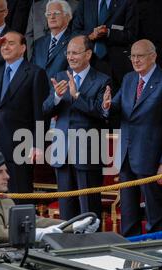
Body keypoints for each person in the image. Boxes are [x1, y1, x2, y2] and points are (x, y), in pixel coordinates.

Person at [102, 39, 162, 237]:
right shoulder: (129, 79)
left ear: (153, 56)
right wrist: (108, 106)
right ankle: (130, 245)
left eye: (140, 56)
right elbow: (118, 105)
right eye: (133, 56)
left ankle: (155, 245)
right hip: (126, 154)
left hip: (150, 156)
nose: (135, 60)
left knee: (153, 209)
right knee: (128, 208)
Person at [43, 35, 110, 220]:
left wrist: (76, 96)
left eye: (75, 53)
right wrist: (56, 96)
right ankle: (66, 247)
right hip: (61, 151)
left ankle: (90, 247)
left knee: (88, 210)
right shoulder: (59, 76)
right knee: (67, 210)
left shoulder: (102, 80)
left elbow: (101, 113)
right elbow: (46, 109)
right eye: (68, 53)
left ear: (88, 54)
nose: (70, 57)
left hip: (88, 152)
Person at [0, 150, 100, 243]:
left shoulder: (4, 199)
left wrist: (72, 225)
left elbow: (33, 220)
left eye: (6, 172)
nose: (7, 177)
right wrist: (36, 234)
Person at [0, 31, 49, 196]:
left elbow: (41, 113)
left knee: (18, 196)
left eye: (11, 43)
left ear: (23, 48)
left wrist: (38, 144)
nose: (5, 47)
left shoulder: (35, 73)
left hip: (19, 145)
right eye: (3, 43)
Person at [72, 0, 137, 90]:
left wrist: (109, 32)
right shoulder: (85, 2)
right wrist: (90, 35)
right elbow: (75, 32)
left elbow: (131, 35)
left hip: (116, 66)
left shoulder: (126, 2)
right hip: (88, 62)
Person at [31, 0, 72, 79]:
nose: (52, 17)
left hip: (60, 89)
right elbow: (32, 70)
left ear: (67, 17)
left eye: (56, 13)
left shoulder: (73, 41)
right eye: (48, 14)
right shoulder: (38, 43)